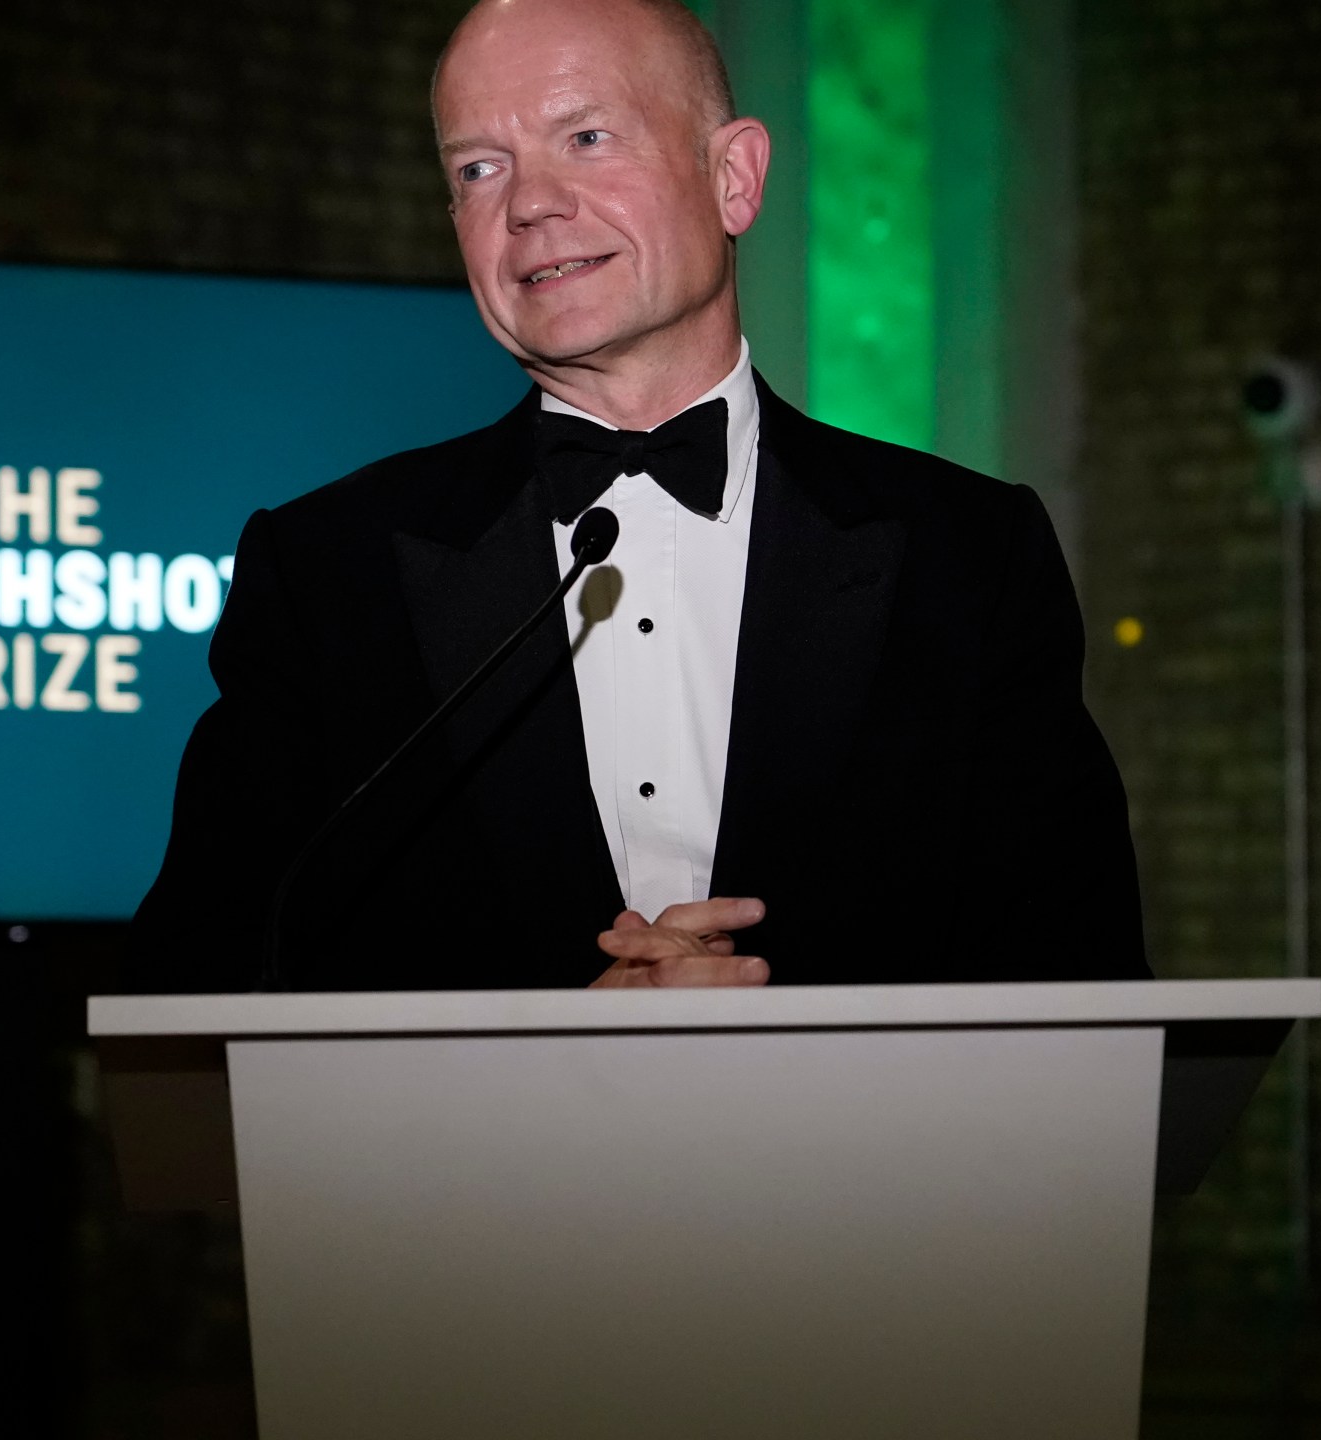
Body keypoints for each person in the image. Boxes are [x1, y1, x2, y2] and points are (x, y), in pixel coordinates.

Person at [129, 0, 1143, 992]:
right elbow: (202, 989)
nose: (527, 203)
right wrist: (563, 1068)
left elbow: (1072, 980)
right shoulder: (325, 572)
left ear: (733, 177)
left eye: (585, 136)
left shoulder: (967, 552)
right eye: (478, 167)